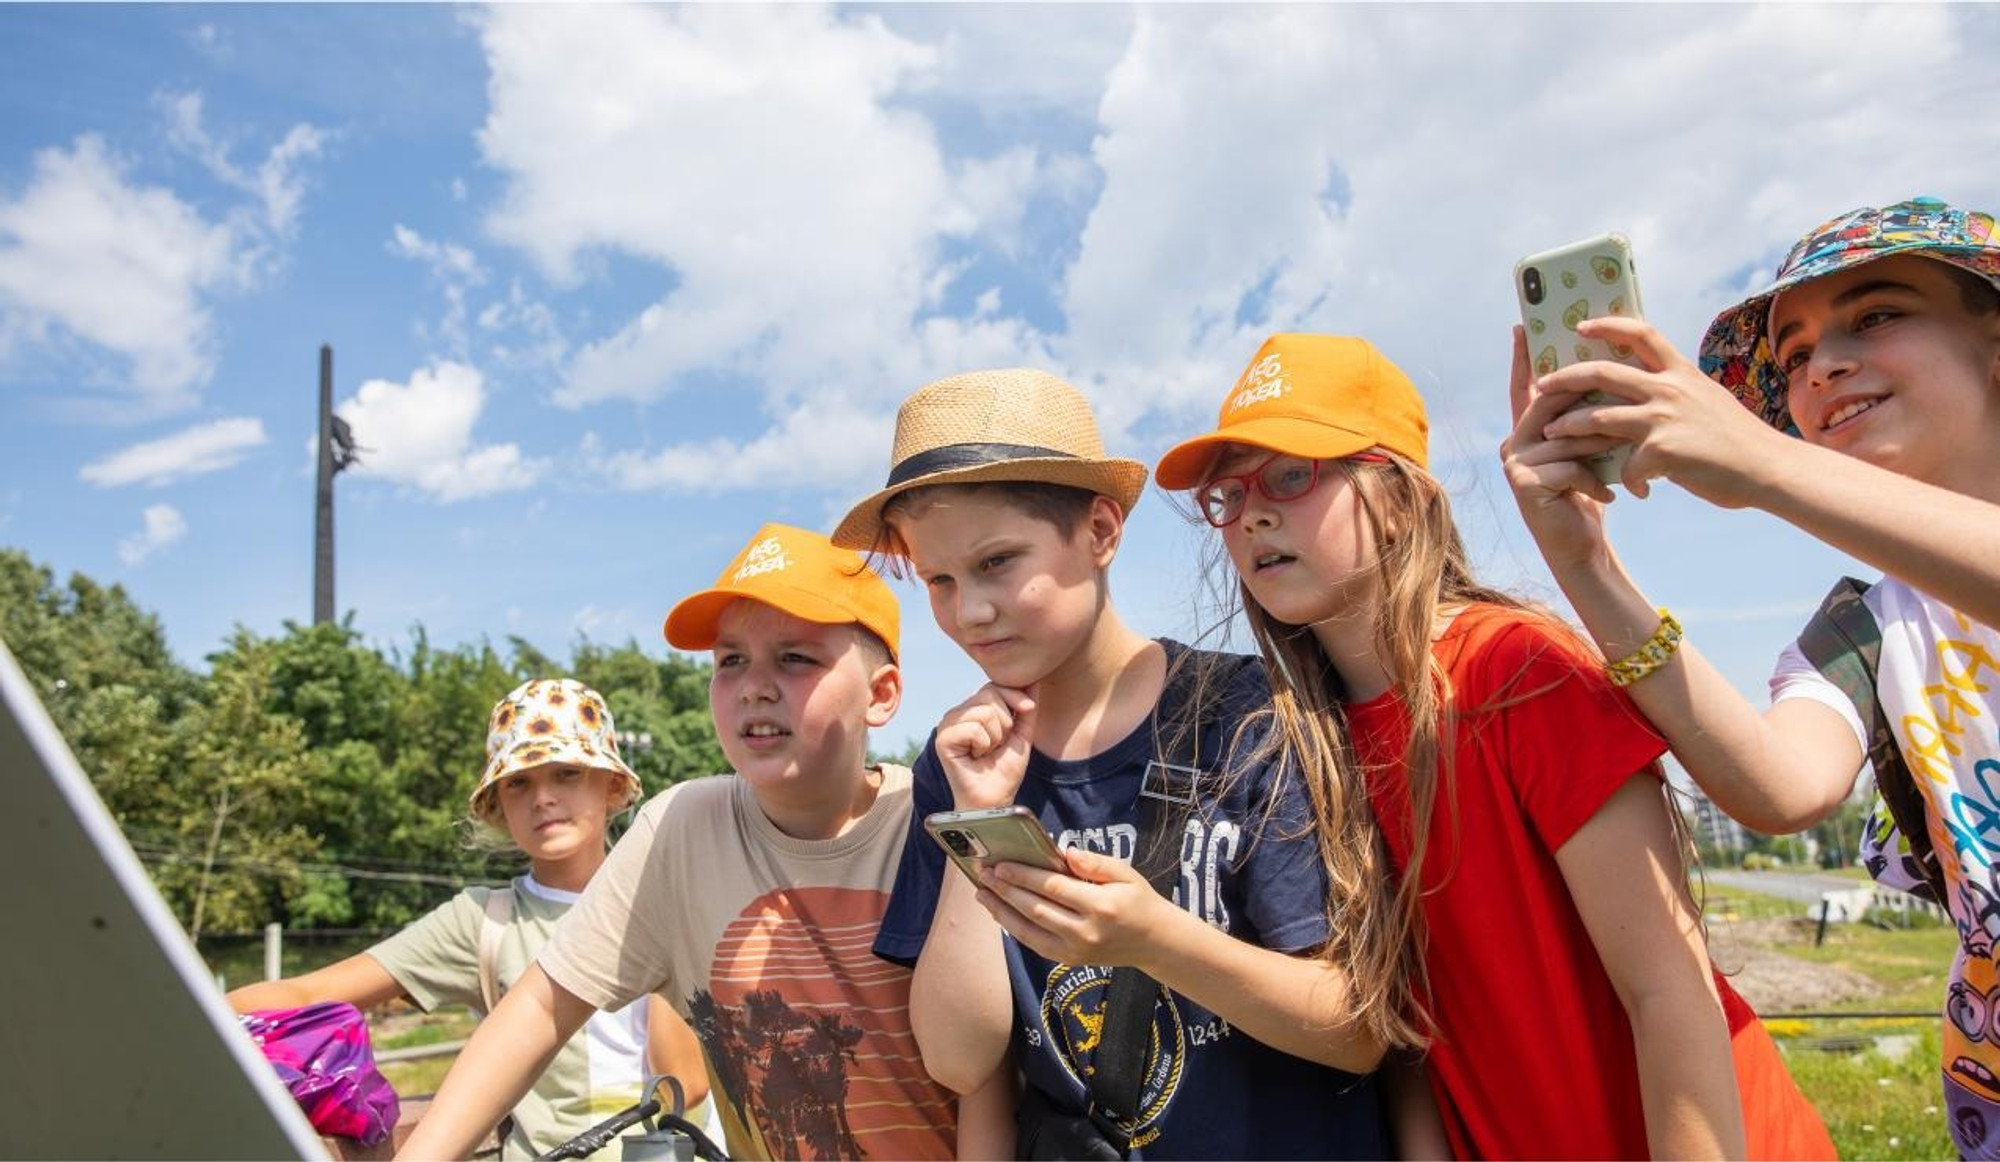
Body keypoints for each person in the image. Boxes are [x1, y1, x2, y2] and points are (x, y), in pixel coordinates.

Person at [1160, 333, 1833, 1159]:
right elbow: (1404, 1029)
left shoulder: (1515, 669)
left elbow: (1670, 990)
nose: (1254, 512)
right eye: (1227, 495)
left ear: (1401, 499)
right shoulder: (1303, 735)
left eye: (1294, 474)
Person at [1501, 195, 2000, 1156]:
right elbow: (1777, 789)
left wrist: (1764, 465)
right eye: (1796, 353)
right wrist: (1584, 564)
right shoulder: (1866, 624)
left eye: (1878, 314)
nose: (1824, 366)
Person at [836, 369, 1409, 1159]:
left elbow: (1358, 1027)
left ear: (1102, 531)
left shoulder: (1248, 717)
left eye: (998, 561)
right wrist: (973, 818)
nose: (968, 610)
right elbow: (962, 1061)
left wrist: (1154, 938)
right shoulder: (956, 761)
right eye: (939, 580)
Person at [398, 524, 970, 1161]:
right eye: (730, 660)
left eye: (795, 658)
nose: (754, 684)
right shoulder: (681, 829)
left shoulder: (943, 821)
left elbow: (1002, 1071)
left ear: (882, 693)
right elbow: (538, 1007)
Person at [228, 677, 709, 1158]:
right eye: (519, 782)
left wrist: (654, 911)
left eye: (566, 772)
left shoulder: (672, 893)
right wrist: (189, 1013)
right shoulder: (483, 920)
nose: (542, 797)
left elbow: (686, 1080)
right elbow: (310, 993)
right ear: (499, 804)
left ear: (614, 785)